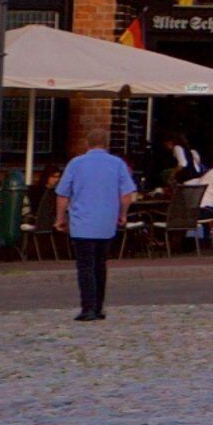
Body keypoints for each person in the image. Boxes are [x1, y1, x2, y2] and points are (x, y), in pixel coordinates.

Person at [53, 134, 139, 323]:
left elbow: (63, 195)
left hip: (82, 223)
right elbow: (127, 194)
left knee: (85, 266)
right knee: (100, 264)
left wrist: (60, 218)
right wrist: (122, 214)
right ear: (106, 144)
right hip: (106, 223)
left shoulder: (76, 163)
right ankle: (99, 307)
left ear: (87, 144)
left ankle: (88, 308)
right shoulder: (117, 164)